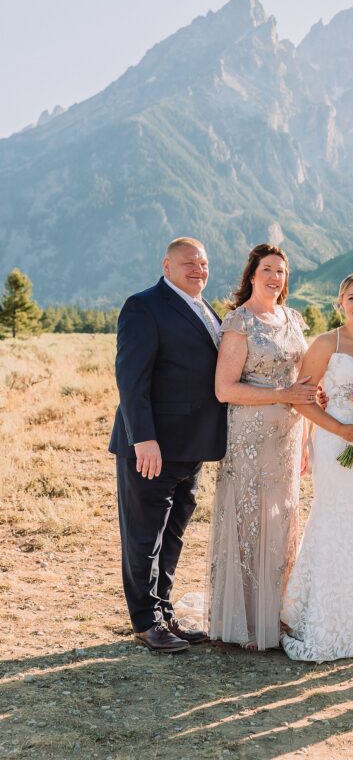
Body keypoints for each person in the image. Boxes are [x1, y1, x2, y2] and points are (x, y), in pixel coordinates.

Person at [207, 245, 353, 651]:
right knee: (251, 520)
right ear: (252, 275)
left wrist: (319, 409)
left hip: (290, 436)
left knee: (283, 523)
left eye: (281, 271)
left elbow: (305, 379)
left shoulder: (292, 318)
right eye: (267, 270)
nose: (275, 277)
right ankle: (245, 621)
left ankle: (277, 611)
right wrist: (284, 393)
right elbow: (225, 389)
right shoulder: (239, 322)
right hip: (250, 436)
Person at [109, 237, 226, 653]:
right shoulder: (144, 306)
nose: (199, 269)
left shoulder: (206, 309)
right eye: (189, 263)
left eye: (204, 263)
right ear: (167, 265)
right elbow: (131, 380)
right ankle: (145, 622)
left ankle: (164, 612)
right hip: (152, 447)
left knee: (172, 534)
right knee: (145, 537)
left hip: (191, 447)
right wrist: (144, 439)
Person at [280, 273, 353, 663]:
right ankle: (322, 619)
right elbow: (301, 399)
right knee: (334, 521)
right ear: (340, 303)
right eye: (352, 297)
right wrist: (339, 427)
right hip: (335, 443)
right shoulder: (327, 343)